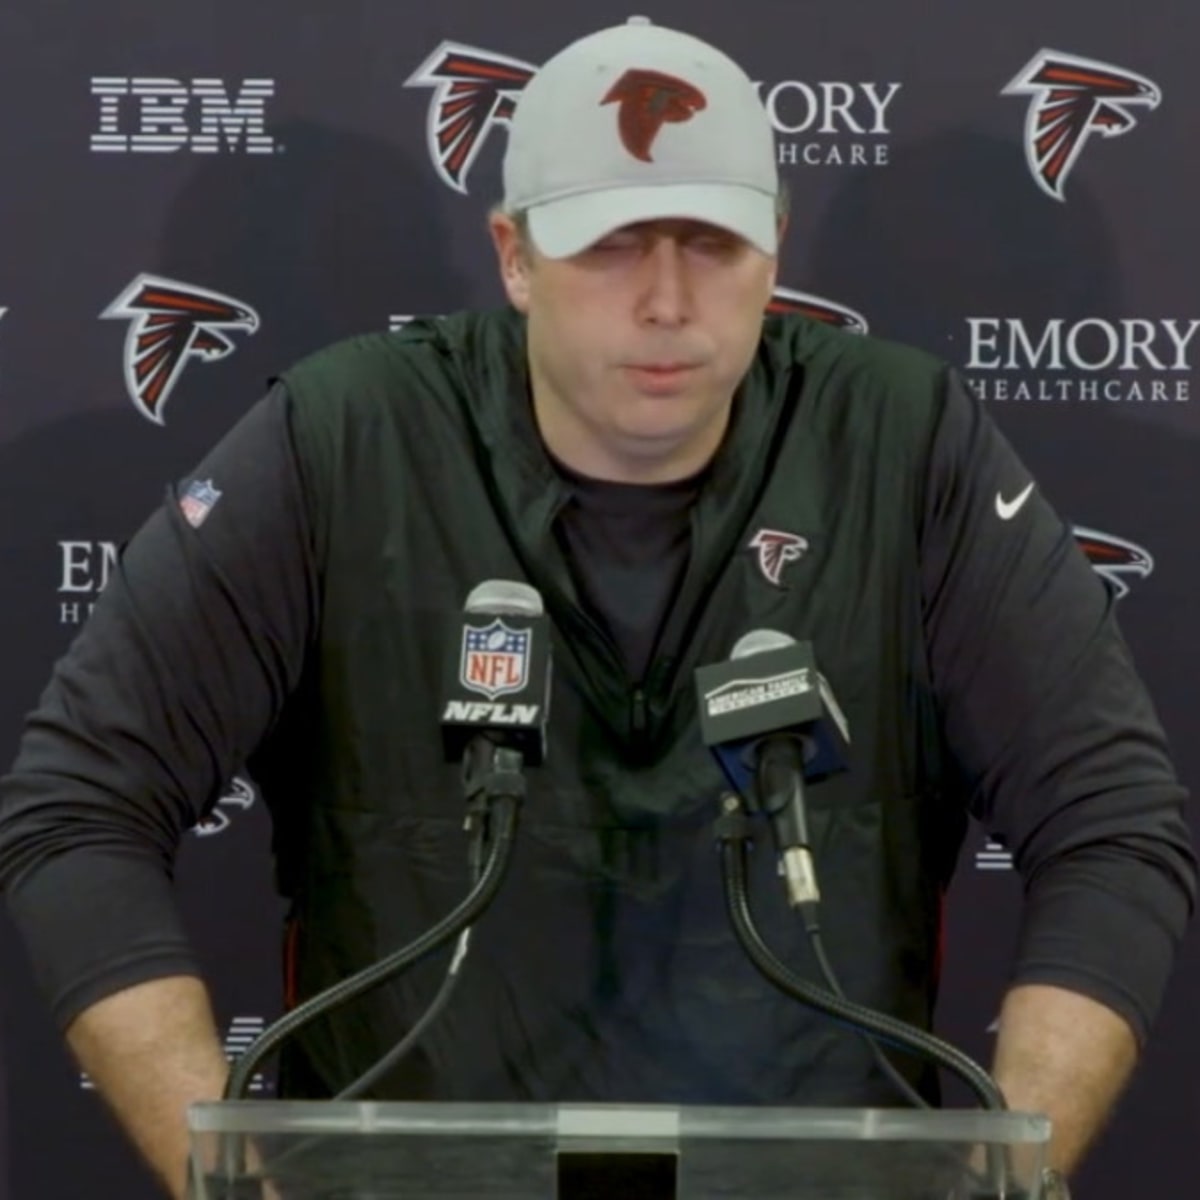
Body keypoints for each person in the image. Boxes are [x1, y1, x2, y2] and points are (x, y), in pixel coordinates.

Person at [0, 16, 1194, 1200]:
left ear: (774, 250)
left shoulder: (904, 443)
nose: (668, 301)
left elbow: (1114, 826)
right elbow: (78, 807)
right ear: (516, 256)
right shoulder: (347, 439)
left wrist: (1011, 1178)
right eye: (615, 245)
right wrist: (229, 1188)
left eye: (711, 244)